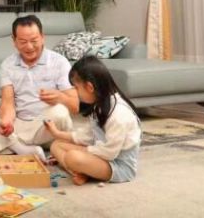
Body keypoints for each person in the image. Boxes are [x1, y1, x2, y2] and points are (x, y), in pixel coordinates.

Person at [0, 14, 78, 158]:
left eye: (34, 41)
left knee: (60, 112)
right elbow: (8, 103)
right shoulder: (8, 65)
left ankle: (3, 143)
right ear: (14, 41)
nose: (29, 47)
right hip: (19, 123)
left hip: (48, 127)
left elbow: (75, 106)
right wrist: (6, 121)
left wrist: (60, 97)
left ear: (42, 37)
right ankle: (18, 146)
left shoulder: (59, 62)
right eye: (23, 42)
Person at [44, 56, 141, 185]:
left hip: (117, 166)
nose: (76, 93)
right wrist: (57, 133)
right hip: (100, 154)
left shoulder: (119, 114)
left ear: (89, 87)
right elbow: (88, 135)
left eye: (76, 88)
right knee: (56, 145)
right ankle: (81, 172)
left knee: (73, 157)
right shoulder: (100, 105)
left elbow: (109, 153)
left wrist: (82, 151)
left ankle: (82, 169)